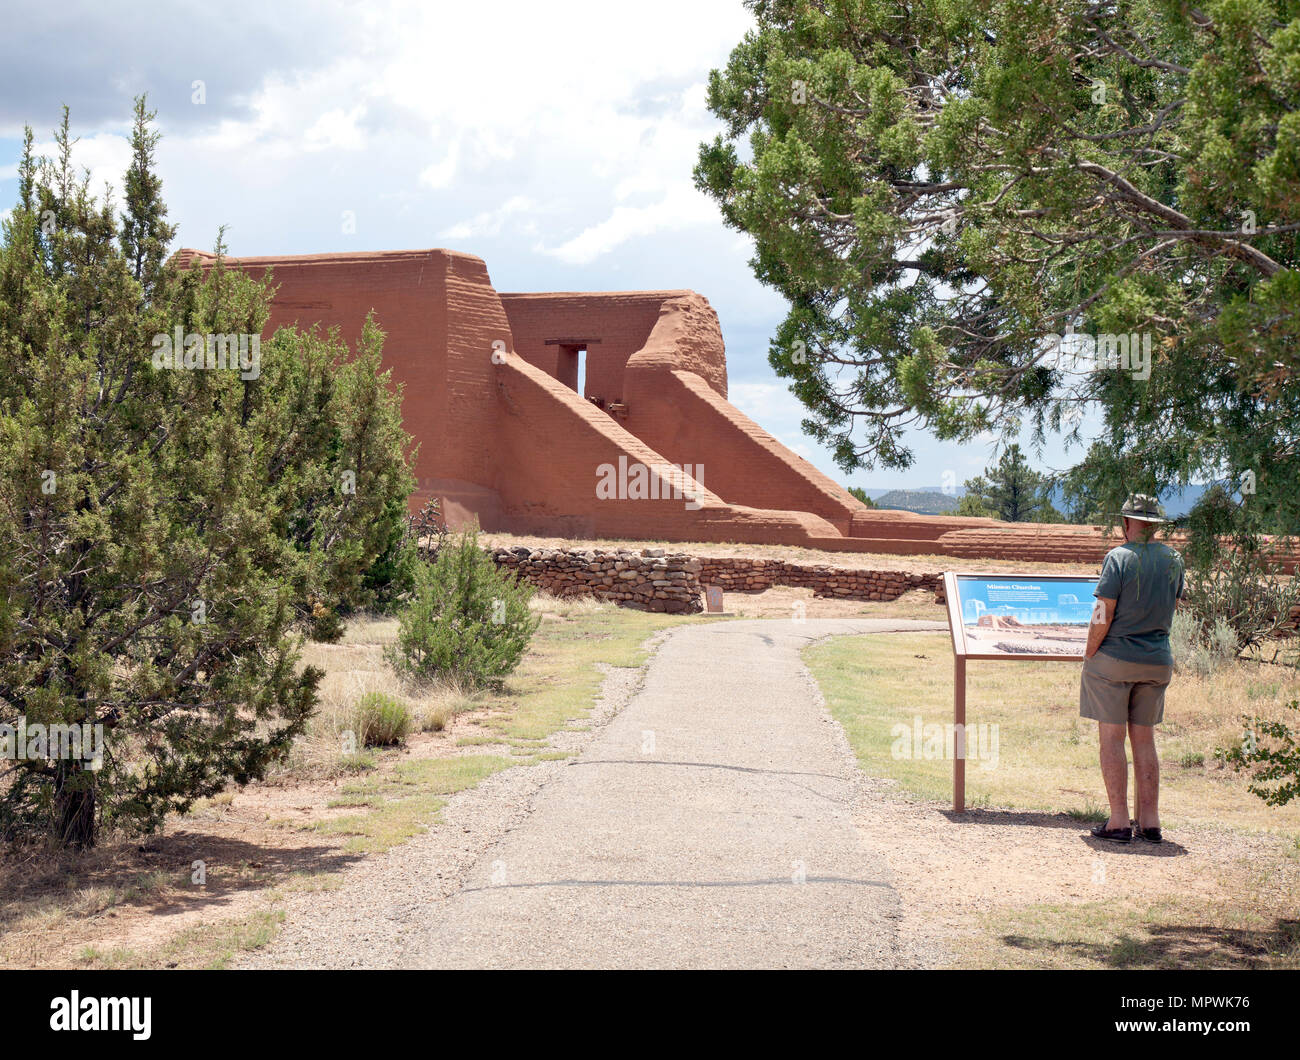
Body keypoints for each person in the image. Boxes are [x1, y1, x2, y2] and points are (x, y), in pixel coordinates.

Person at [1081, 493, 1185, 844]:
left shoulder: (1118, 557)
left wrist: (1090, 650)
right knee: (1145, 739)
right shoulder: (1174, 559)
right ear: (1155, 525)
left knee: (1112, 738)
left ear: (1126, 523)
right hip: (1157, 660)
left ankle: (1119, 821)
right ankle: (1151, 821)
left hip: (1115, 660)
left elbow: (1103, 611)